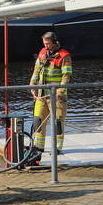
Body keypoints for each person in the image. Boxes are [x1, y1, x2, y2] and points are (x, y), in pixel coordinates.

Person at [25, 31, 72, 159]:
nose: (46, 46)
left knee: (57, 122)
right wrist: (32, 84)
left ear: (55, 42)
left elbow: (66, 75)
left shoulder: (64, 56)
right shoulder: (42, 53)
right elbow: (36, 70)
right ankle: (39, 147)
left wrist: (60, 92)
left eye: (48, 44)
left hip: (57, 96)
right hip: (41, 94)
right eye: (44, 44)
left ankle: (57, 148)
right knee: (38, 120)